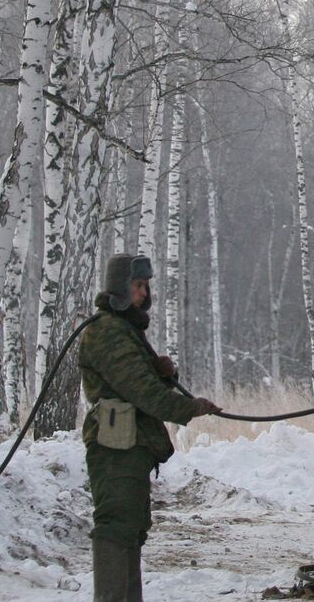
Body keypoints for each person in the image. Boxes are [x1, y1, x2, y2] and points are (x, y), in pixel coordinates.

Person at [79, 253, 219, 602]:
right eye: (137, 286)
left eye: (145, 286)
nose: (144, 293)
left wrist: (161, 375)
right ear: (120, 288)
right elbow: (141, 391)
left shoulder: (124, 330)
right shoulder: (108, 331)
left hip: (129, 445)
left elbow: (139, 383)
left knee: (130, 529)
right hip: (115, 447)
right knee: (116, 528)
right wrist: (188, 407)